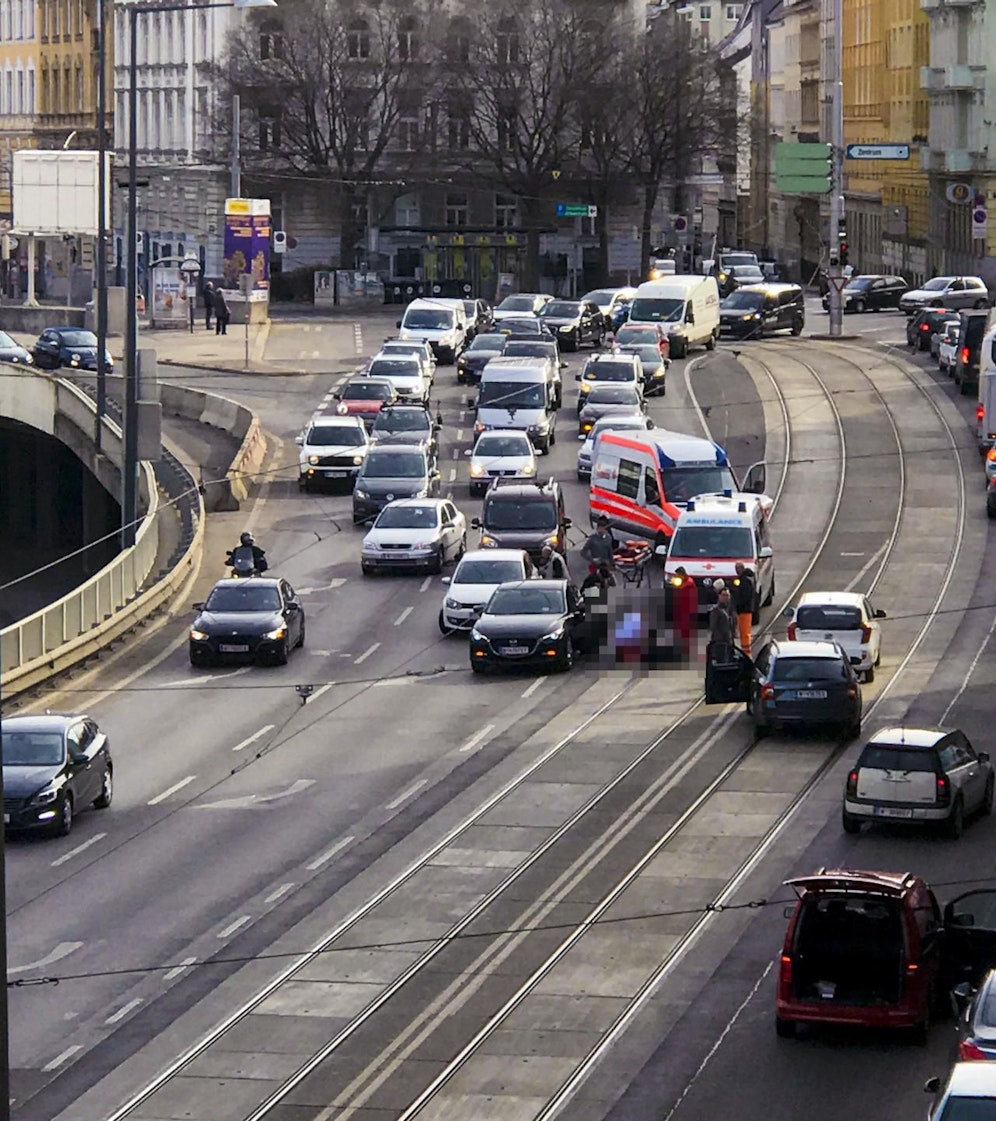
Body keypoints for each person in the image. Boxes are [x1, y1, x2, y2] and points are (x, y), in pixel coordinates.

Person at [671, 565, 700, 657]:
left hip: (687, 610)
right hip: (684, 609)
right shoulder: (687, 581)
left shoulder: (688, 584)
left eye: (678, 575)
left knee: (685, 630)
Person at [731, 562, 756, 656]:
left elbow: (744, 596)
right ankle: (746, 652)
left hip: (744, 610)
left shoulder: (745, 580)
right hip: (746, 609)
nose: (736, 571)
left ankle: (747, 654)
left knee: (744, 632)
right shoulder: (748, 578)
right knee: (744, 632)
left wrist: (738, 603)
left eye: (737, 569)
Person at [708, 587, 737, 664]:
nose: (725, 597)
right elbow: (713, 626)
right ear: (719, 596)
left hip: (730, 642)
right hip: (720, 643)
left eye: (727, 595)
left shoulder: (731, 609)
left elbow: (733, 624)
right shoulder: (716, 610)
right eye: (723, 595)